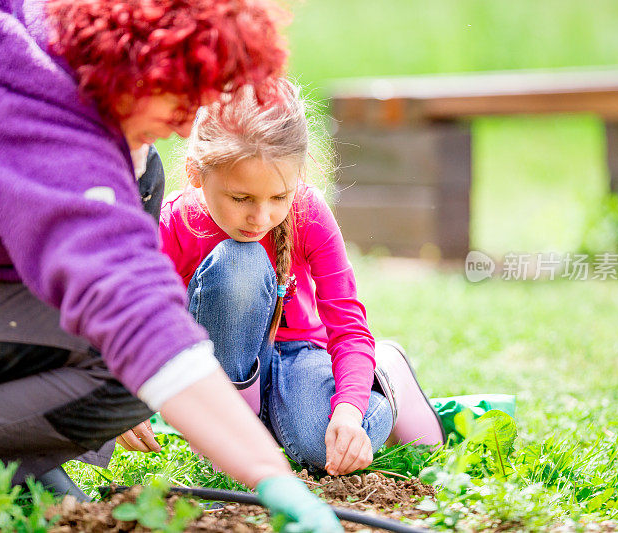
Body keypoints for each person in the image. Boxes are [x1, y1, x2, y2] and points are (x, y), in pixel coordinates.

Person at [0, 0, 343, 530]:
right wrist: (272, 475)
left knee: (139, 173)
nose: (181, 123)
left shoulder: (27, 30)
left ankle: (4, 458)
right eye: (180, 98)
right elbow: (134, 317)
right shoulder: (30, 122)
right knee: (123, 362)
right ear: (137, 65)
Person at [157, 79, 446, 477]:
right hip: (218, 365)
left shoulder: (309, 212)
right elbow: (145, 322)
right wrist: (125, 402)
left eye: (279, 197)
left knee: (322, 448)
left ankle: (385, 373)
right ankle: (234, 431)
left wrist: (347, 413)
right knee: (239, 262)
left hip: (299, 356)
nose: (260, 217)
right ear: (195, 172)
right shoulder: (175, 223)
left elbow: (347, 325)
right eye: (241, 198)